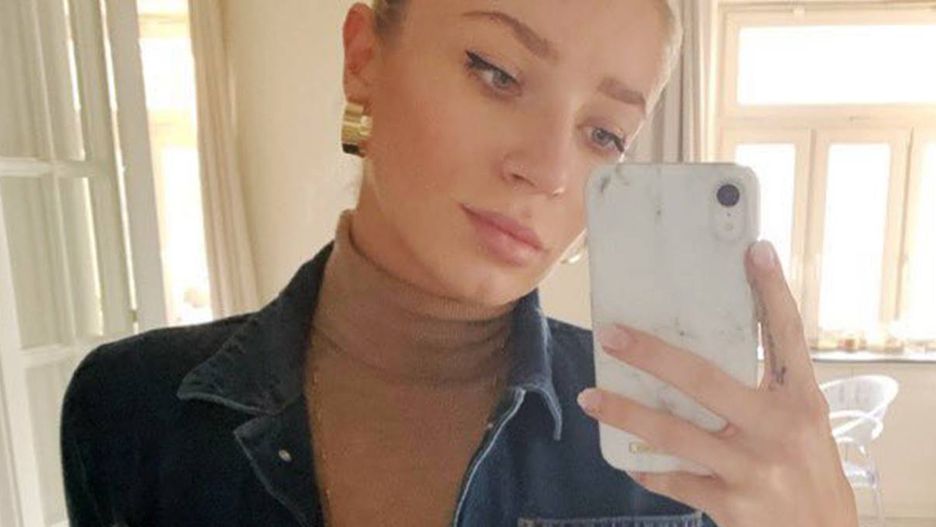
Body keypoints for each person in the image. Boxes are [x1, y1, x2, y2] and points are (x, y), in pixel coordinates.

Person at [60, 1, 859, 526]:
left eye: (603, 134)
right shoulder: (133, 411)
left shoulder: (670, 447)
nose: (548, 170)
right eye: (497, 72)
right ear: (364, 58)